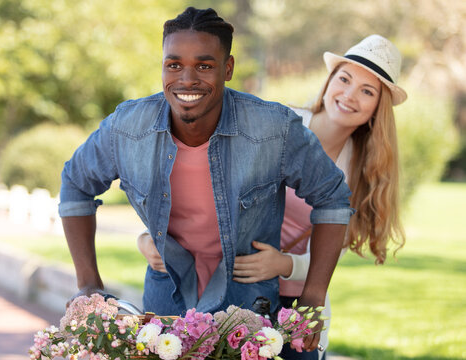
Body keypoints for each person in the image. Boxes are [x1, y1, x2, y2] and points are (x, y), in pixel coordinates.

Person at [59, 7, 353, 352]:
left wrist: (313, 296)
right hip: (164, 304)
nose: (186, 79)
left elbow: (332, 197)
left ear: (227, 69)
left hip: (248, 309)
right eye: (174, 65)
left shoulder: (273, 129)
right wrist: (89, 284)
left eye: (204, 65)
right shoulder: (126, 127)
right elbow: (75, 183)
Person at [138, 34, 408, 359]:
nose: (349, 95)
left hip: (295, 303)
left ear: (378, 107)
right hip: (232, 288)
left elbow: (332, 250)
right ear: (329, 81)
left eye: (367, 91)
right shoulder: (278, 125)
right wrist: (147, 236)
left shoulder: (365, 172)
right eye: (344, 79)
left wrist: (284, 264)